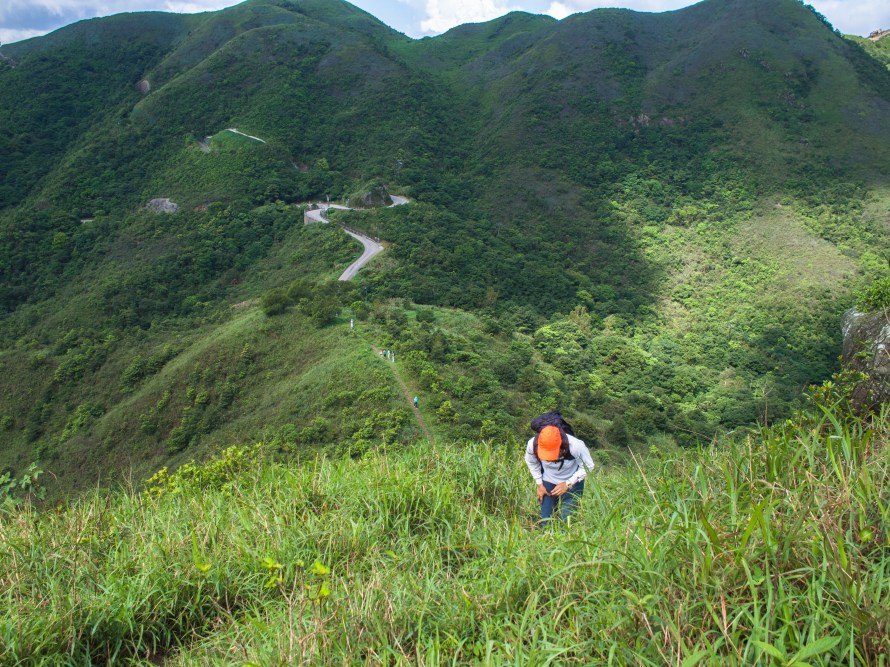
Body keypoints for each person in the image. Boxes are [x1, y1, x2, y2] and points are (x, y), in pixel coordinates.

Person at [524, 415, 595, 525]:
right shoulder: (532, 444)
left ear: (560, 444)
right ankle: (547, 535)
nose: (548, 459)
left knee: (567, 520)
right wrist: (539, 485)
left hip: (573, 480)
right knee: (546, 521)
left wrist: (568, 483)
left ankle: (566, 534)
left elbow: (588, 466)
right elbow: (532, 462)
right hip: (548, 480)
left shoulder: (575, 445)